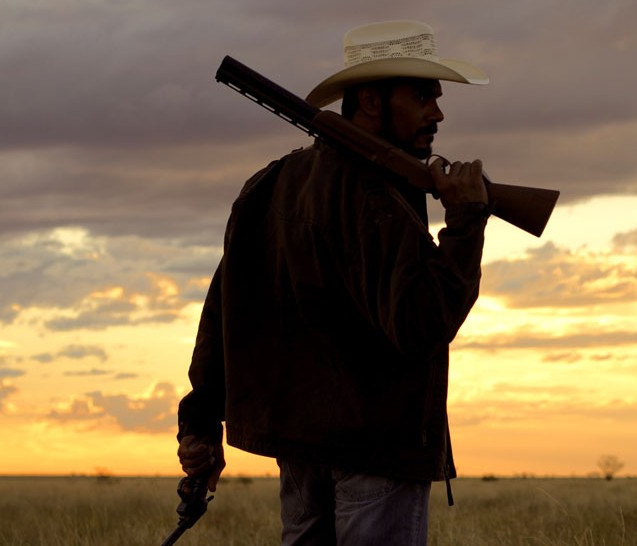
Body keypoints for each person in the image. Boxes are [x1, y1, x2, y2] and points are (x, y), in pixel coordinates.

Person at [175, 20, 491, 545]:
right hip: (379, 449)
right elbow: (421, 325)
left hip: (301, 450)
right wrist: (466, 222)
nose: (437, 113)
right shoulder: (378, 198)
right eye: (422, 97)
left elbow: (223, 316)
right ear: (369, 100)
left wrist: (200, 422)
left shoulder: (270, 183)